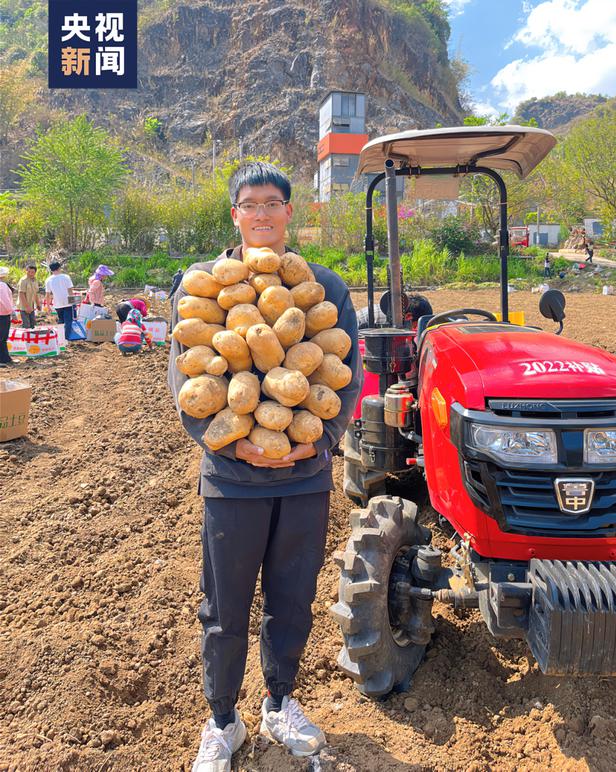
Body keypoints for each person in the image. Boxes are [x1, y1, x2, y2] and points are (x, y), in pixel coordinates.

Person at [168, 161, 362, 772]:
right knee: (224, 607)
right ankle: (222, 720)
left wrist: (323, 435)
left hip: (305, 475)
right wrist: (225, 442)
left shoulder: (325, 286)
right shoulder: (201, 284)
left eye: (272, 203)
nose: (261, 213)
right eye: (250, 204)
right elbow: (184, 380)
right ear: (236, 215)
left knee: (292, 599)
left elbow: (347, 375)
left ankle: (280, 703)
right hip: (231, 481)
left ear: (288, 212)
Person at [356, 293, 432, 330]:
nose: (414, 328)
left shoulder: (392, 311)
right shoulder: (387, 320)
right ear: (408, 316)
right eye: (415, 326)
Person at [44, 261, 74, 341]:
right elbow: (70, 291)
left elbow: (48, 295)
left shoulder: (48, 280)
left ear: (51, 270)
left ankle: (60, 338)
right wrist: (74, 303)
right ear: (59, 268)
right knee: (68, 322)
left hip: (57, 303)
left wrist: (48, 305)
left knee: (61, 321)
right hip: (68, 302)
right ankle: (66, 338)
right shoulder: (66, 277)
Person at [17, 263, 41, 329]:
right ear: (26, 271)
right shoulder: (23, 280)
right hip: (24, 307)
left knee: (33, 325)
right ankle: (25, 339)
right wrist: (27, 307)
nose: (30, 273)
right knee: (26, 325)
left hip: (32, 306)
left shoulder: (35, 280)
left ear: (35, 272)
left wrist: (38, 304)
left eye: (32, 272)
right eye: (29, 271)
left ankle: (32, 339)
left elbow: (35, 293)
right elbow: (21, 294)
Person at [0, 266, 15, 366]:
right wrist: (12, 312)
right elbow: (5, 301)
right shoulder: (2, 285)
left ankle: (5, 358)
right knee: (2, 337)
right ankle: (3, 358)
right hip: (3, 314)